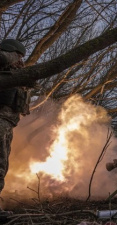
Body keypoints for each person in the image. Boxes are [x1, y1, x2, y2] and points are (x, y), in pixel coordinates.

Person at [0, 39, 31, 215]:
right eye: (18, 56)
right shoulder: (5, 60)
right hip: (1, 119)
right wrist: (11, 57)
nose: (20, 60)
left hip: (7, 123)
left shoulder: (15, 72)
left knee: (3, 164)